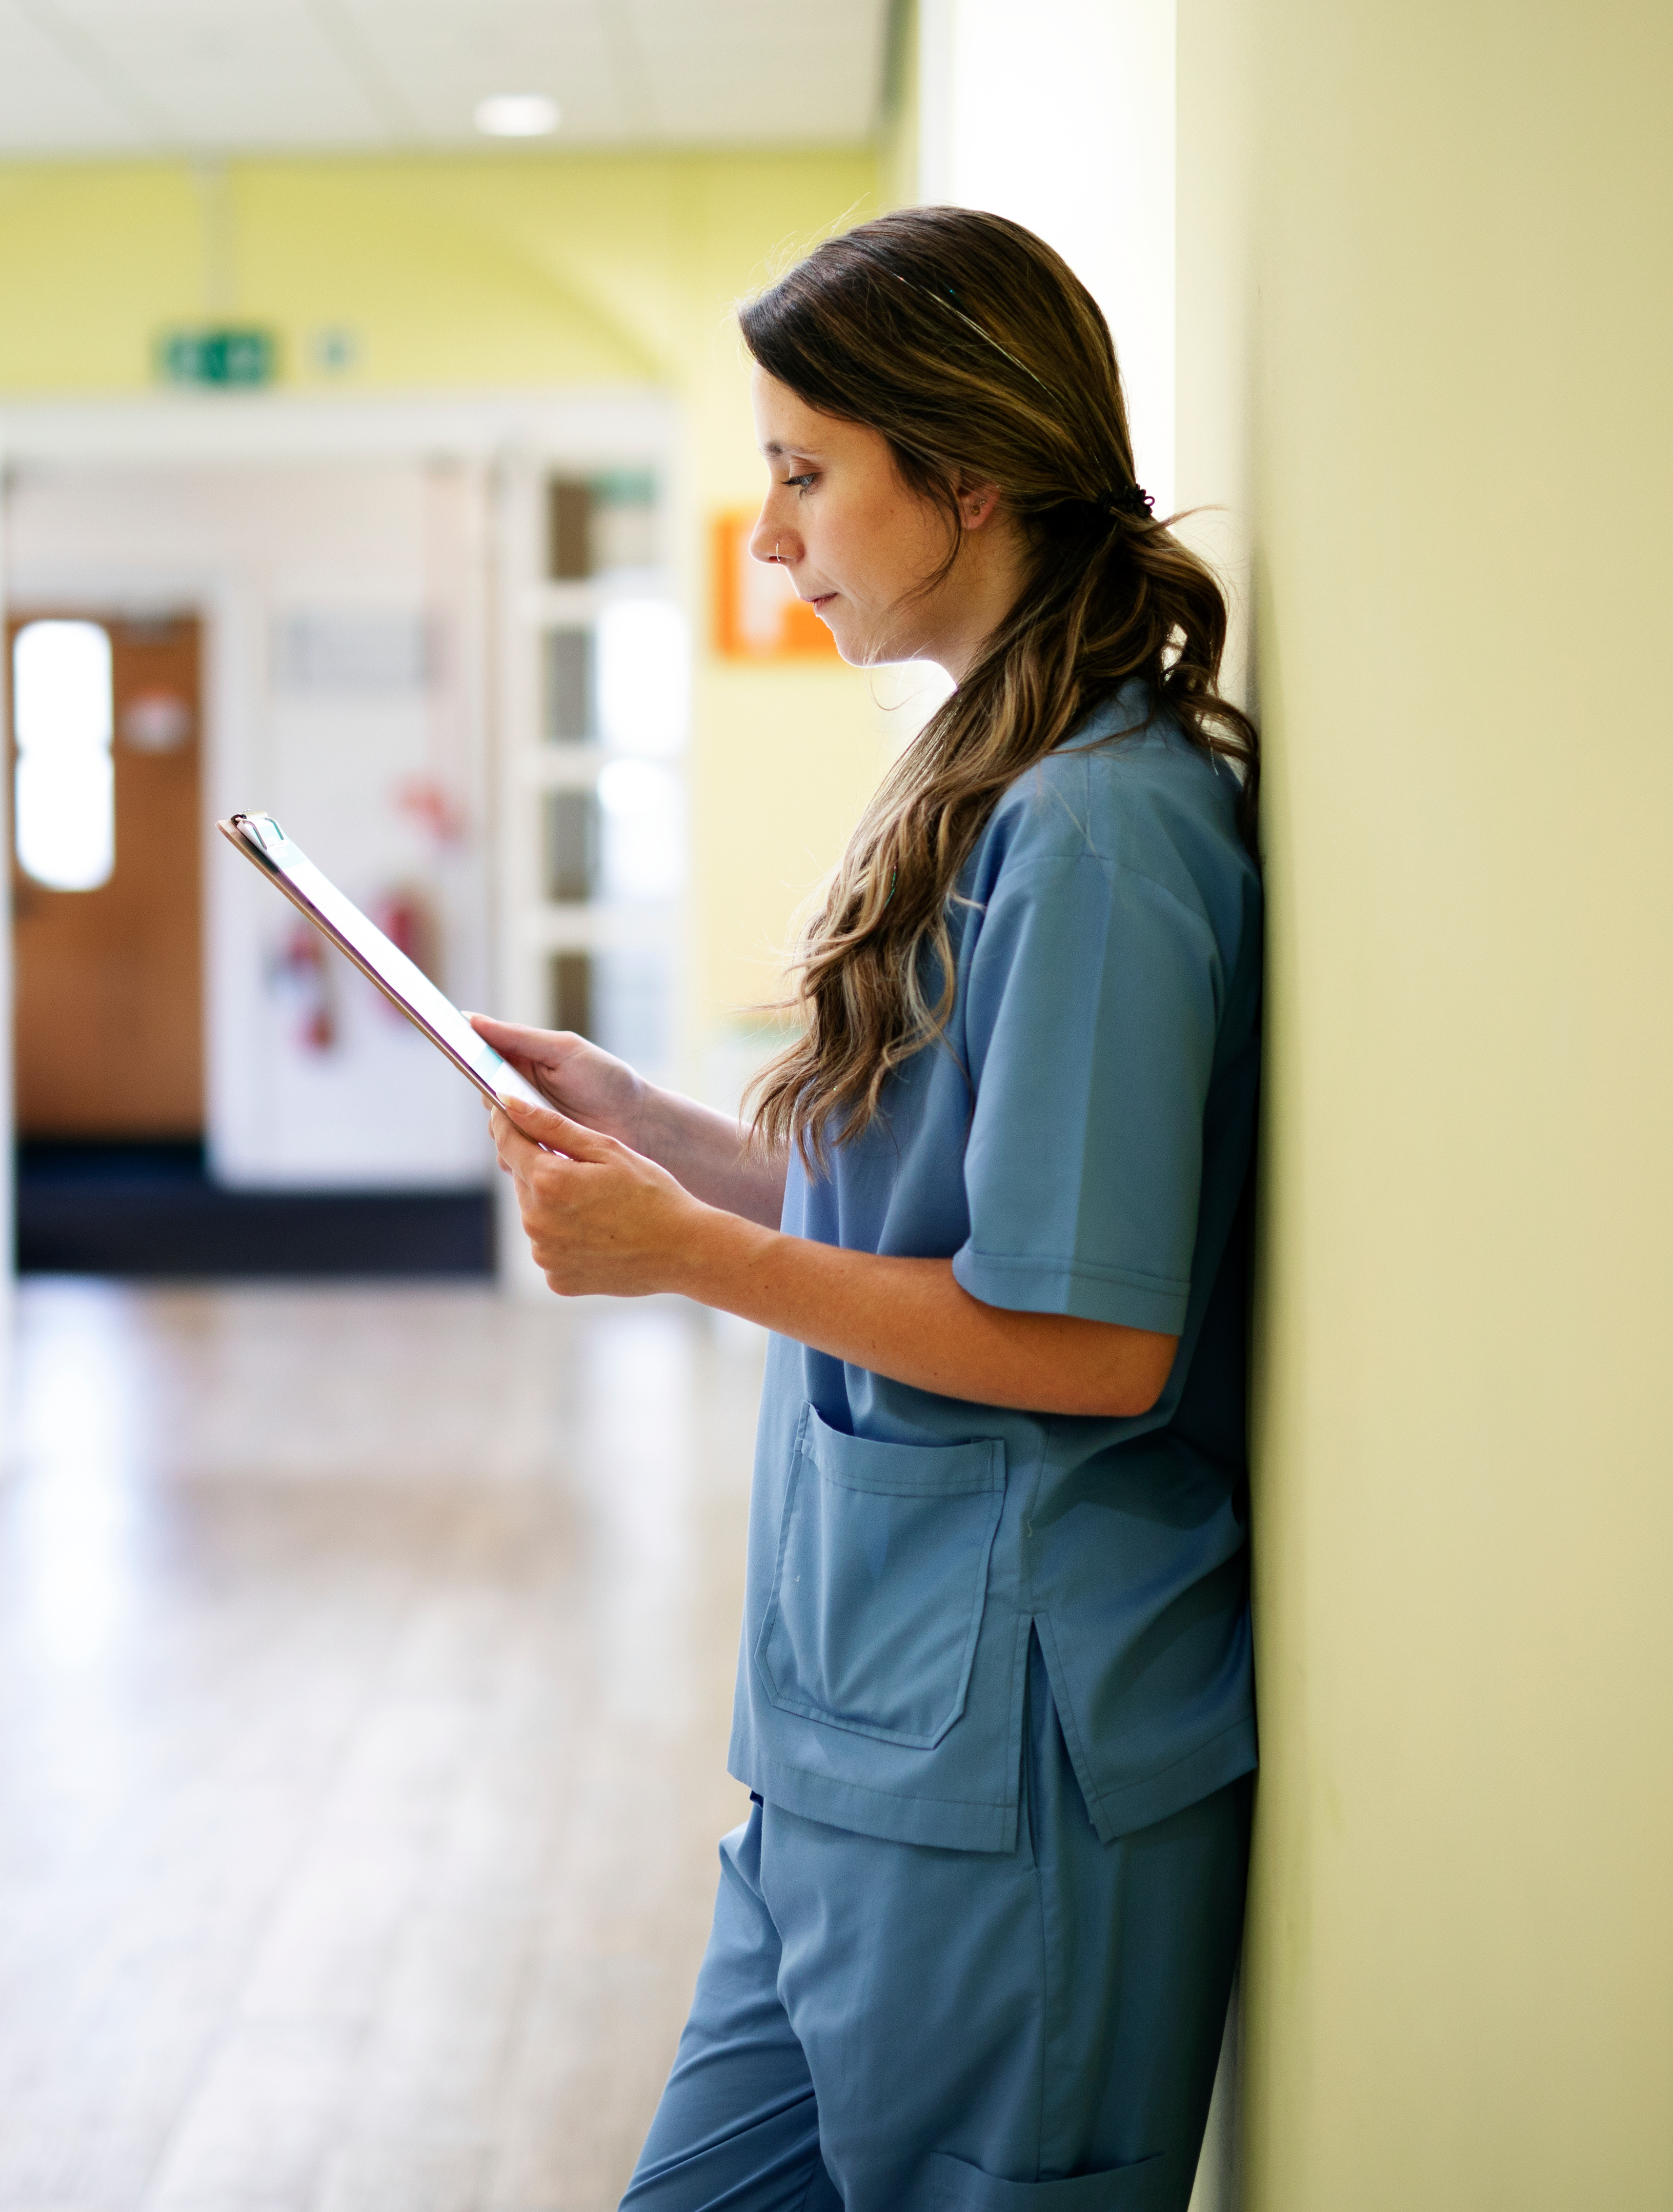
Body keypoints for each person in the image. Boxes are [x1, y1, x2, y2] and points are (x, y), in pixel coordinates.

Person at [469, 206, 1261, 2212]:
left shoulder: (1100, 831)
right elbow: (908, 1211)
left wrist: (690, 1257)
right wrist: (653, 1130)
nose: (768, 537)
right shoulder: (981, 777)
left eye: (802, 473)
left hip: (1013, 1783)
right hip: (848, 1741)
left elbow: (1092, 1339)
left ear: (965, 474)